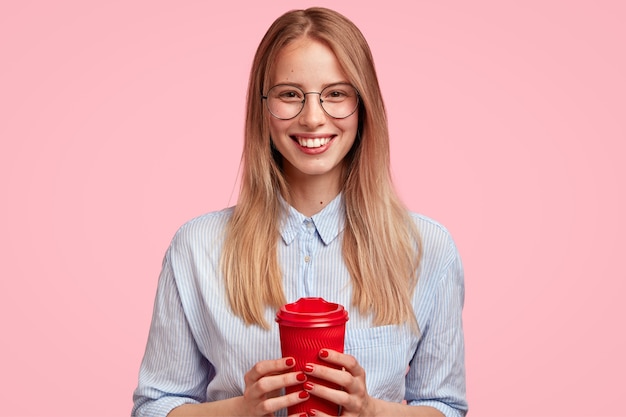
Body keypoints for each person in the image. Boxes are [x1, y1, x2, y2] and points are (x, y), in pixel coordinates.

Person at [132, 7, 467, 417]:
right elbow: (155, 405)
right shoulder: (198, 247)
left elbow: (444, 406)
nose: (312, 118)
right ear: (264, 107)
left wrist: (372, 411)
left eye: (336, 94)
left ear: (363, 107)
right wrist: (240, 410)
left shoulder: (426, 248)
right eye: (290, 94)